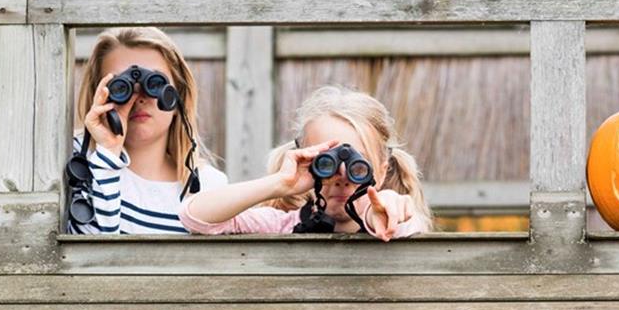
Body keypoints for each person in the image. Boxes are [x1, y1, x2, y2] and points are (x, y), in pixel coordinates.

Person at [179, 86, 432, 239]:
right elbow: (194, 216)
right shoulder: (282, 225)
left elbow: (406, 227)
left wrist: (379, 213)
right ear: (307, 162)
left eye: (358, 166)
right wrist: (280, 183)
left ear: (382, 168)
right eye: (326, 163)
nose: (342, 177)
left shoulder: (401, 220)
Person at [68, 27, 224, 234]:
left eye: (155, 83)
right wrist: (108, 152)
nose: (139, 98)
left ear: (176, 99)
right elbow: (84, 256)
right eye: (121, 86)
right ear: (98, 95)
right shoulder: (75, 161)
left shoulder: (208, 185)